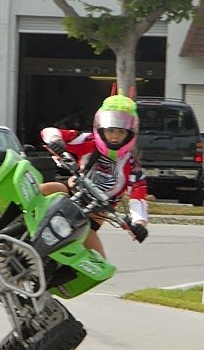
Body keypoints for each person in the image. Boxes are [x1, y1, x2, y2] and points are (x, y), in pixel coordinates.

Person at [40, 92, 149, 258]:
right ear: (101, 128)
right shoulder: (87, 141)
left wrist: (139, 224)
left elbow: (138, 197)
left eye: (121, 132)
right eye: (111, 130)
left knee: (99, 263)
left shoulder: (132, 166)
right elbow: (50, 131)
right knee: (36, 189)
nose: (115, 136)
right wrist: (57, 141)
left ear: (130, 133)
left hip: (90, 219)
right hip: (68, 193)